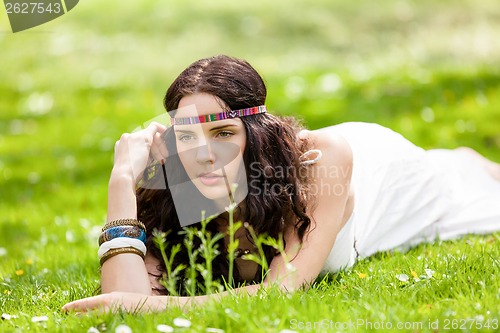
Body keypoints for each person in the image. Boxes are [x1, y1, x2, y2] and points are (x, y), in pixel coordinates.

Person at [62, 55, 500, 313]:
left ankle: (466, 162)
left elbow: (281, 291)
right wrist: (121, 183)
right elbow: (123, 298)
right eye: (187, 137)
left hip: (391, 181)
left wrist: (157, 306)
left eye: (224, 134)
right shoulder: (169, 181)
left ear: (256, 134)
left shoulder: (319, 162)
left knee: (465, 183)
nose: (204, 155)